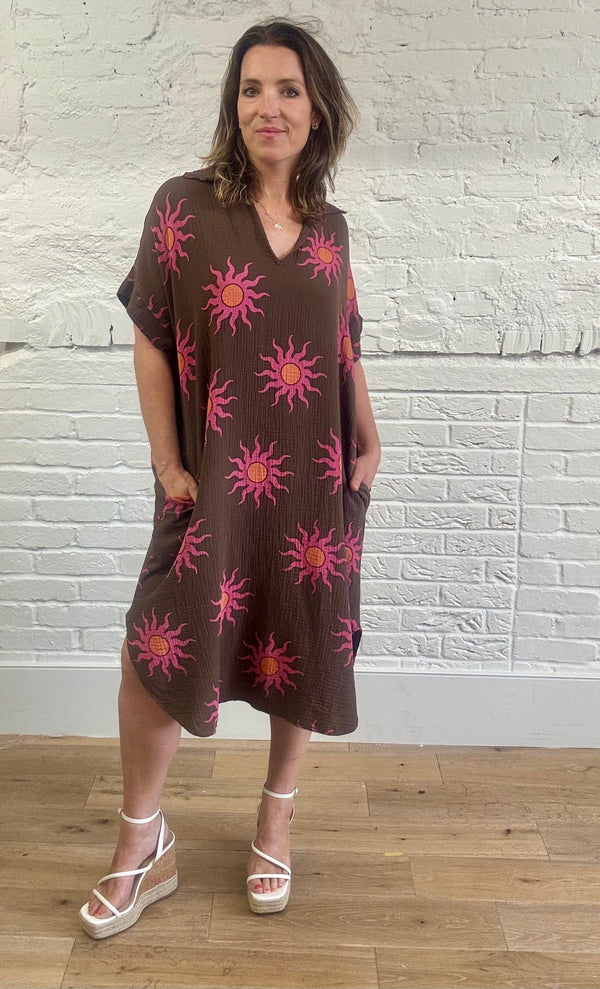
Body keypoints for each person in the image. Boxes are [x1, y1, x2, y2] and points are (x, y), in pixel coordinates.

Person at [80, 17, 381, 937]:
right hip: (209, 480)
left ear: (318, 110)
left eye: (288, 89)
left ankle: (275, 818)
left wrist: (370, 433)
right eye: (252, 89)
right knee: (155, 648)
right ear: (233, 105)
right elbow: (150, 334)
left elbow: (342, 345)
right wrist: (167, 461)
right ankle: (144, 841)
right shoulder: (184, 209)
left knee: (304, 636)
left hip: (316, 483)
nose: (268, 106)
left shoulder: (330, 230)